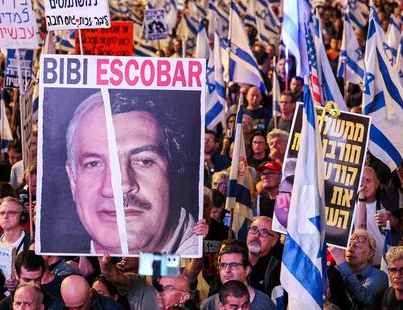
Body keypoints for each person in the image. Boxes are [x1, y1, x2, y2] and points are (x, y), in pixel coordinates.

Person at [59, 90, 203, 255]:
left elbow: (170, 274)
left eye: (143, 161)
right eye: (94, 164)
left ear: (174, 171)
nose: (119, 186)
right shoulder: (68, 266)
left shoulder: (207, 254)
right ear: (72, 180)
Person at [202, 240, 275, 310]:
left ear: (247, 270)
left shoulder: (264, 305)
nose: (227, 270)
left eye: (233, 265)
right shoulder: (209, 305)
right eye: (223, 265)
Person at [329, 229, 388, 309]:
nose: (350, 249)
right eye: (348, 245)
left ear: (370, 254)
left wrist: (341, 261)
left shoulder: (380, 276)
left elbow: (365, 297)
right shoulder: (336, 272)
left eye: (357, 246)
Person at [245, 217, 281, 297]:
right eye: (254, 230)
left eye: (264, 232)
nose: (256, 235)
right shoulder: (234, 260)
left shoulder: (278, 269)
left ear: (274, 241)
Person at [51, 275, 123, 310]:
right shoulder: (57, 307)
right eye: (70, 308)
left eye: (80, 307)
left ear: (90, 294)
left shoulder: (111, 308)